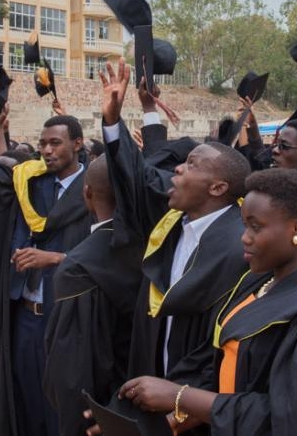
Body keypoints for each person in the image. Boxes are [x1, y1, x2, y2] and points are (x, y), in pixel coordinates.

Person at [115, 168, 297, 435]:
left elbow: (293, 419)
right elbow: (234, 374)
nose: (244, 237)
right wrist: (179, 413)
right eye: (245, 225)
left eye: (256, 227)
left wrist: (181, 396)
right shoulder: (256, 283)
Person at [0, 73, 94, 436]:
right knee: (26, 403)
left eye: (55, 143)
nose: (47, 150)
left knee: (64, 408)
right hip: (24, 317)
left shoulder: (96, 190)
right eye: (42, 143)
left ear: (78, 144)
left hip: (70, 320)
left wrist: (55, 259)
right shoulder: (27, 185)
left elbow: (112, 257)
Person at [99, 59, 250, 388]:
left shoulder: (242, 248)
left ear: (218, 188)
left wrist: (181, 398)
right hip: (152, 377)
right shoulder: (169, 225)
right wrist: (113, 119)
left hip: (196, 398)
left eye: (191, 165)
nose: (178, 170)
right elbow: (136, 178)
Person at [43, 157, 144, 436]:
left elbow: (72, 369)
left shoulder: (79, 266)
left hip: (100, 410)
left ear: (86, 192)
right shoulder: (155, 245)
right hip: (148, 397)